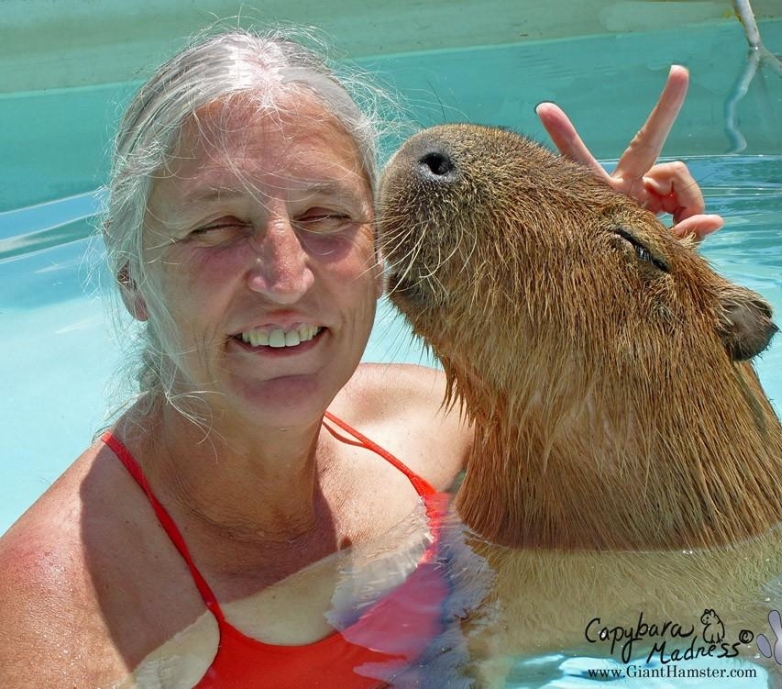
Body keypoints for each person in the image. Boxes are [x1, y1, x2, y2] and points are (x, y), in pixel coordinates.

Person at [0, 27, 722, 689]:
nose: (285, 279)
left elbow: (663, 498)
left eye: (325, 217)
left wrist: (601, 282)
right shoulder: (60, 617)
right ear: (131, 272)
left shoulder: (426, 427)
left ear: (378, 248)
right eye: (218, 225)